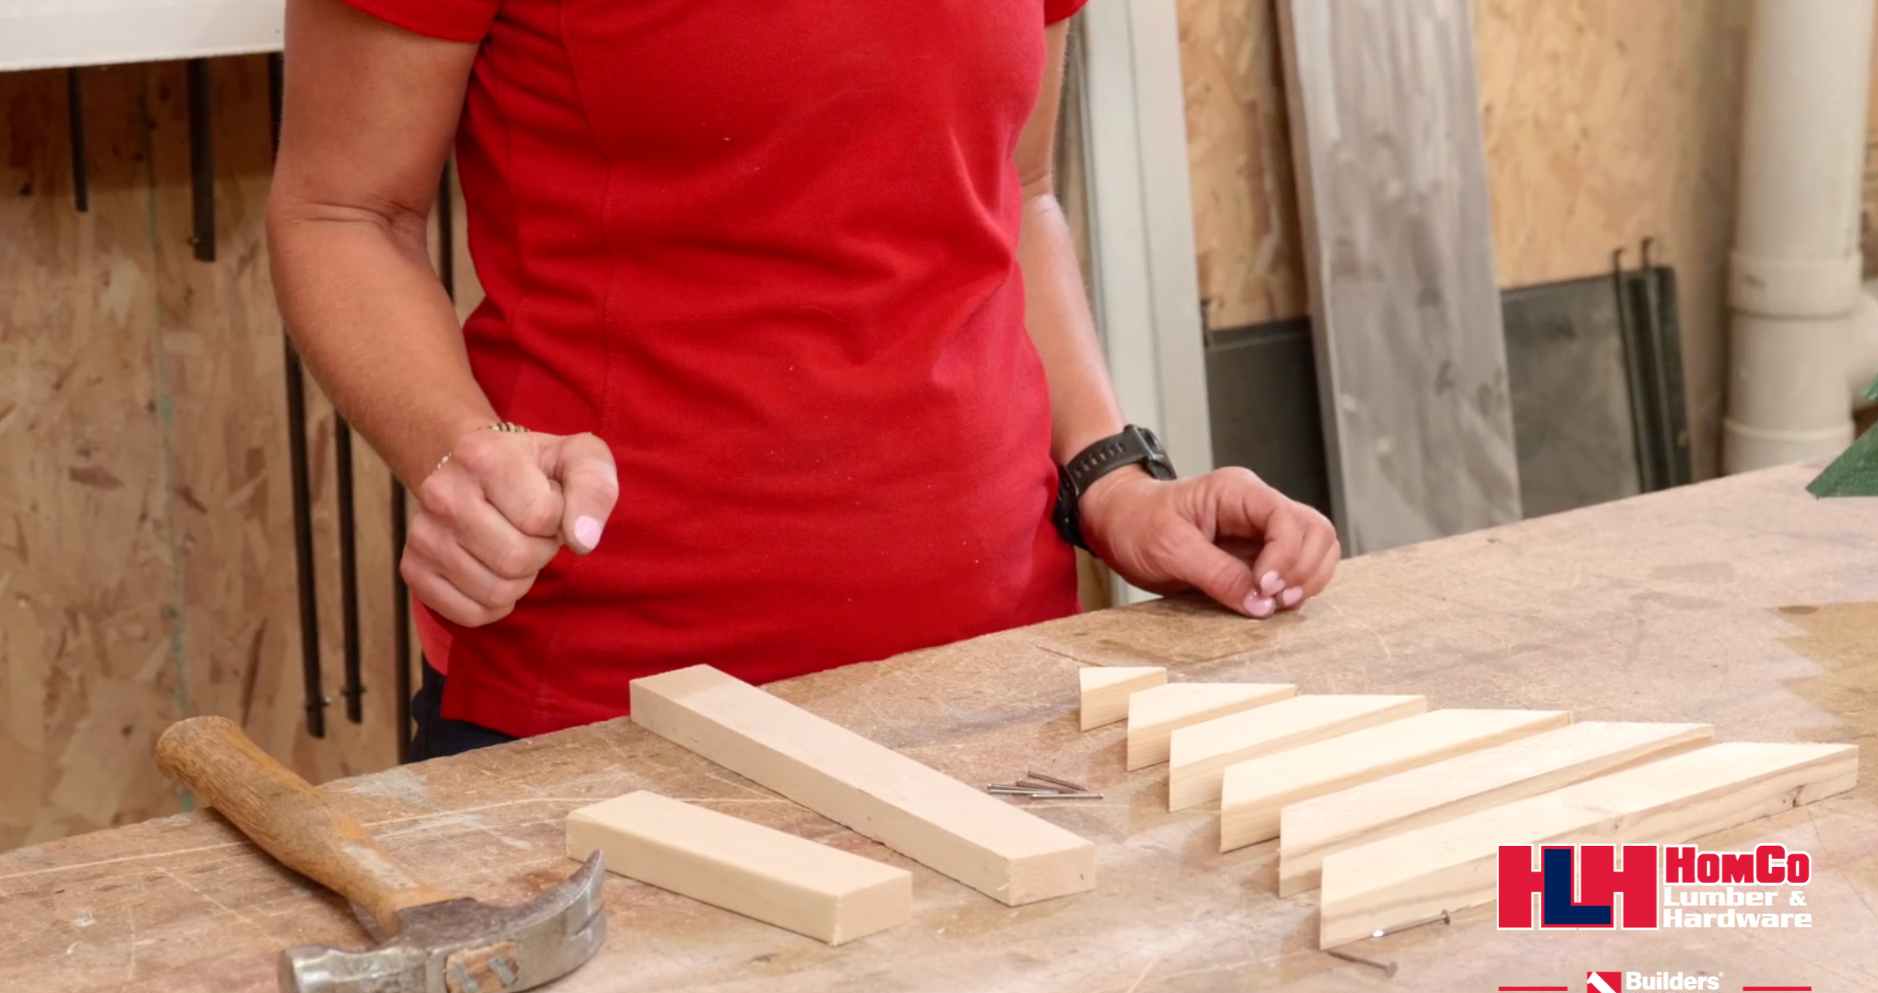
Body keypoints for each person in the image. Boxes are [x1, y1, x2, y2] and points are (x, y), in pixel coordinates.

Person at [267, 0, 1340, 759]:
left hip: (1000, 690)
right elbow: (342, 212)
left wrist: (1114, 481)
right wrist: (462, 451)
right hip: (614, 722)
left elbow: (1018, 191)